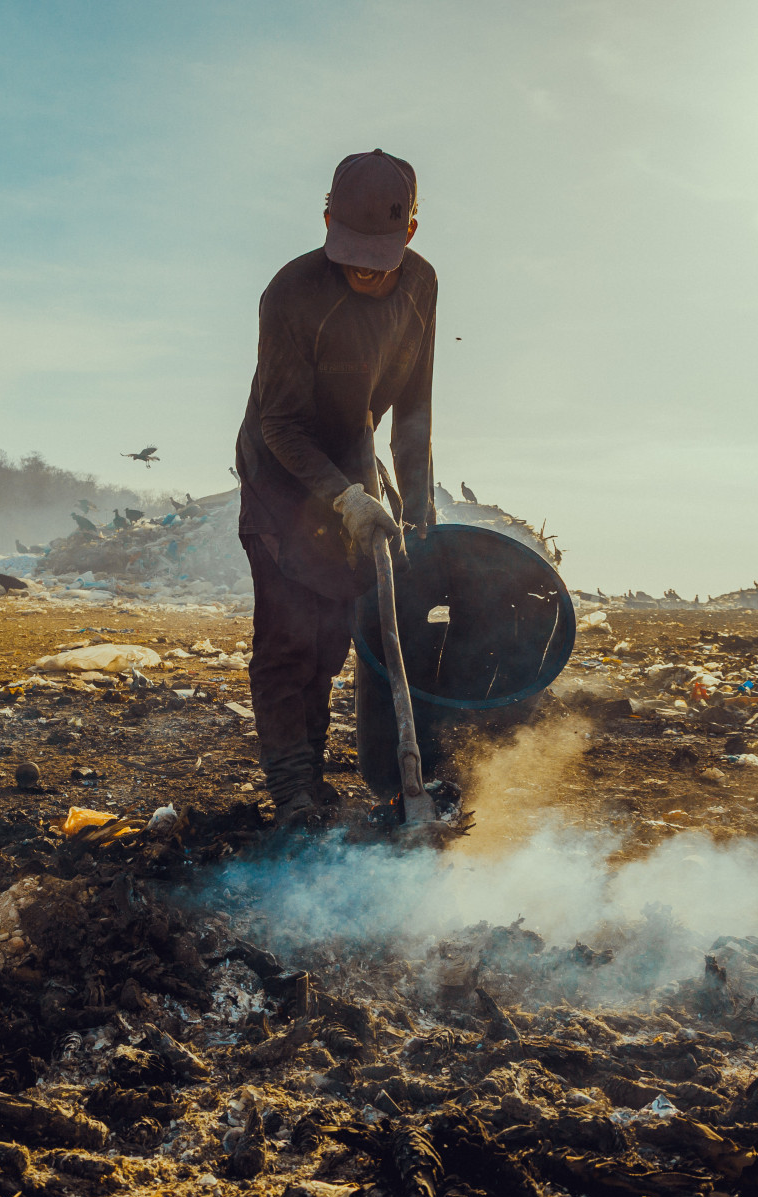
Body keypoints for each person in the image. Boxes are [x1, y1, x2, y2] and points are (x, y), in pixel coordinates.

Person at [234, 149, 436, 826]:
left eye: (379, 257)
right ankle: (293, 789)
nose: (365, 272)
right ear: (325, 224)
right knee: (291, 631)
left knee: (334, 631)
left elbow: (413, 408)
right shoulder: (291, 293)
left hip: (353, 464)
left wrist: (418, 507)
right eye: (351, 253)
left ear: (410, 233)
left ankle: (318, 782)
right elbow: (281, 422)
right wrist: (345, 498)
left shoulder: (421, 286)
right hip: (281, 471)